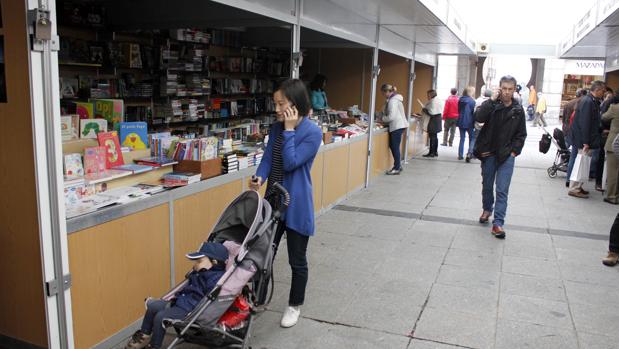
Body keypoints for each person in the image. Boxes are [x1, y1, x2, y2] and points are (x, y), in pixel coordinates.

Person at [250, 79, 322, 328]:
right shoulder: (276, 128)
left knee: (297, 259)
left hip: (296, 203)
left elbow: (291, 162)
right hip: (273, 199)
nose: (277, 109)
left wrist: (290, 129)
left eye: (281, 103)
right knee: (263, 253)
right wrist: (260, 175)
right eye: (276, 103)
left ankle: (294, 305)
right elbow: (269, 158)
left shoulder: (312, 133)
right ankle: (256, 299)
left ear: (296, 103)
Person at [124, 242, 228, 349]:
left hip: (189, 309)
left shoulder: (216, 278)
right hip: (179, 301)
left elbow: (208, 294)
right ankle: (144, 336)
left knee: (161, 317)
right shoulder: (199, 272)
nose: (195, 264)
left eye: (199, 261)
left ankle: (155, 345)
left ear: (214, 262)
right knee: (152, 307)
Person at [474, 75, 527, 239]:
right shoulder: (492, 105)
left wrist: (514, 152)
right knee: (487, 186)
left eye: (510, 89)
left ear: (514, 90)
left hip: (506, 156)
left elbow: (521, 134)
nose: (506, 92)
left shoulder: (518, 110)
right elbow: (478, 117)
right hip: (489, 153)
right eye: (504, 88)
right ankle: (487, 208)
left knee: (502, 190)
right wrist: (491, 100)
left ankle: (498, 223)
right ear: (499, 88)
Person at [567, 80, 606, 199]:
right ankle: (574, 188)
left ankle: (578, 186)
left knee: (583, 164)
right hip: (584, 140)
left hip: (587, 139)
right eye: (603, 91)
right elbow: (585, 123)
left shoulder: (591, 101)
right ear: (597, 90)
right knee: (581, 163)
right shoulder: (588, 102)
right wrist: (585, 142)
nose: (603, 93)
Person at [378, 84, 408, 175]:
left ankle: (396, 168)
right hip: (398, 126)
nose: (383, 95)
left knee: (394, 147)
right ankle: (398, 165)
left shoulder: (393, 101)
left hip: (397, 126)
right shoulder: (393, 99)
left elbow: (391, 116)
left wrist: (382, 119)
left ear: (387, 91)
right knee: (394, 146)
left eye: (383, 93)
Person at [602, 94, 619, 204]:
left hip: (615, 143)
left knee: (613, 171)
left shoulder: (615, 108)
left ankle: (612, 196)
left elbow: (604, 117)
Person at [457, 86, 477, 162]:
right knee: (471, 138)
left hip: (461, 120)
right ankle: (470, 153)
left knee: (462, 138)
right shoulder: (472, 101)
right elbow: (473, 112)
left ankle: (460, 155)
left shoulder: (460, 100)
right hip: (469, 122)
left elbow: (458, 110)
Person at [422, 89, 442, 157]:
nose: (427, 96)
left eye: (428, 95)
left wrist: (424, 110)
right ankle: (435, 152)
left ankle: (431, 153)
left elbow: (431, 113)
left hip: (433, 120)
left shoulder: (433, 101)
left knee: (432, 136)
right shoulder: (438, 99)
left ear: (431, 95)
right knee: (435, 136)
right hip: (438, 118)